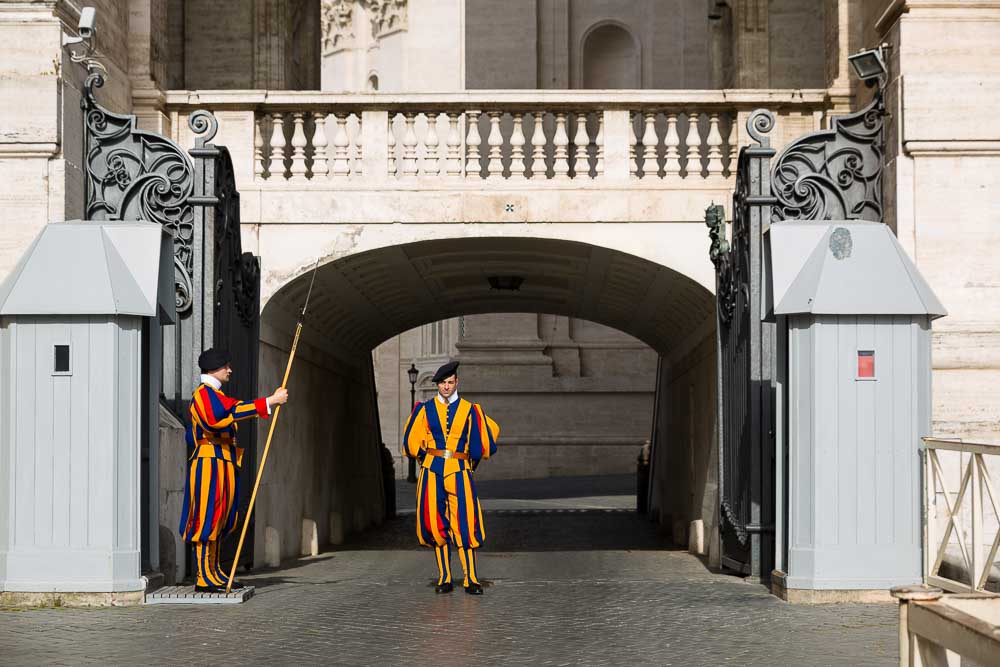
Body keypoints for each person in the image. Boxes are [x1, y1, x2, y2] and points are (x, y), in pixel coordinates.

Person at [178, 348, 289, 592]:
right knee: (207, 517)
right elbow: (216, 419)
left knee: (221, 517)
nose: (230, 370)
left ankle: (214, 571)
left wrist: (267, 403)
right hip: (209, 461)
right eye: (225, 366)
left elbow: (237, 407)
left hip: (223, 461)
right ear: (213, 369)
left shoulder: (218, 396)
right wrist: (269, 401)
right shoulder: (203, 395)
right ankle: (203, 577)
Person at [402, 361, 499, 595]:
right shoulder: (424, 409)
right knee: (435, 523)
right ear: (438, 385)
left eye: (450, 382)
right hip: (432, 470)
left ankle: (471, 578)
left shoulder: (470, 409)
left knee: (466, 523)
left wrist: (469, 464)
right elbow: (411, 441)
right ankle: (444, 577)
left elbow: (482, 441)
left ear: (456, 383)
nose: (446, 387)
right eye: (443, 383)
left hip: (459, 469)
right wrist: (424, 458)